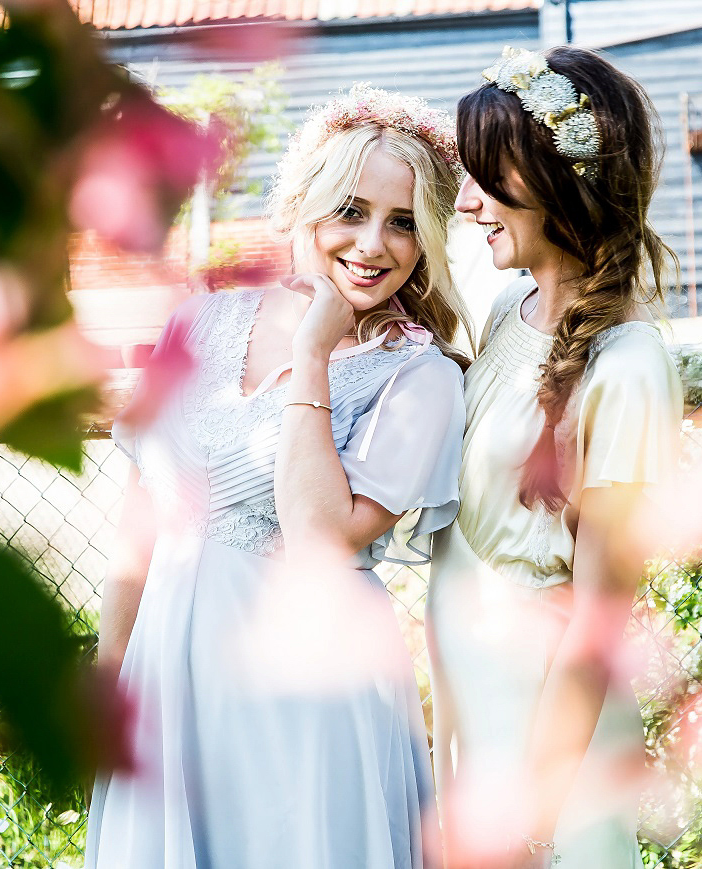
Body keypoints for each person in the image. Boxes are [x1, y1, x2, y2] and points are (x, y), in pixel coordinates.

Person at [85, 84, 473, 869]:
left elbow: (322, 541)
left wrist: (314, 355)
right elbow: (140, 523)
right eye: (352, 210)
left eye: (403, 222)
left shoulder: (420, 377)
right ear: (305, 205)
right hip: (173, 673)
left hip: (310, 696)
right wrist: (109, 674)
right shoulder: (199, 321)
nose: (373, 243)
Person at [427, 46, 684, 868]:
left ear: (556, 179)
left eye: (485, 178)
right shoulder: (511, 308)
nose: (467, 204)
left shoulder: (629, 364)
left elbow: (596, 624)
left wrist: (532, 824)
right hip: (479, 723)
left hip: (549, 756)